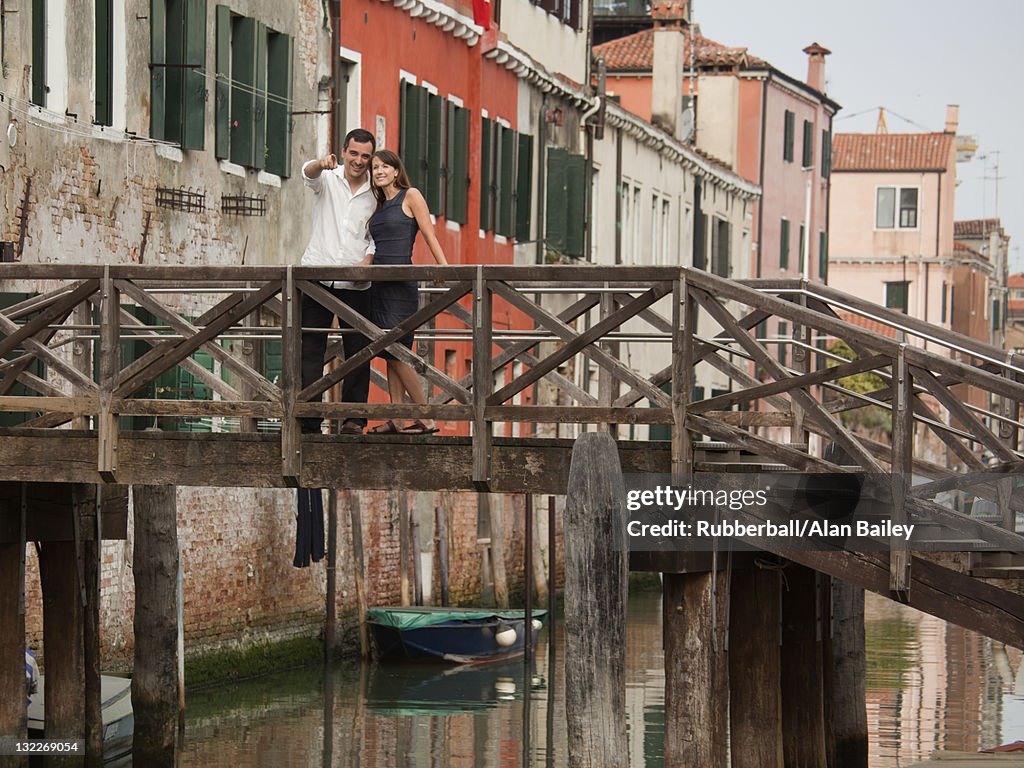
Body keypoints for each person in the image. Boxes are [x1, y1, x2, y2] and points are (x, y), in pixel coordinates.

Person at [299, 128, 377, 435]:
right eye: (354, 153)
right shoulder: (327, 179)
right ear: (343, 151)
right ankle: (308, 418)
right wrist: (320, 163)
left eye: (365, 156)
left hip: (357, 283)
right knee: (310, 348)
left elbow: (377, 233)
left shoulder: (375, 191)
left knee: (358, 350)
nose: (358, 161)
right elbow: (307, 174)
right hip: (317, 276)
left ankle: (354, 419)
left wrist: (370, 257)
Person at [366, 150, 448, 435]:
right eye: (374, 167)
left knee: (396, 352)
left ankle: (425, 417)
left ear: (396, 170)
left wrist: (444, 267)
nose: (379, 171)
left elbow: (429, 233)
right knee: (389, 354)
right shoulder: (378, 206)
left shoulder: (410, 196)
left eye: (384, 166)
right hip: (378, 285)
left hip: (401, 285)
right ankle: (398, 418)